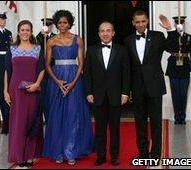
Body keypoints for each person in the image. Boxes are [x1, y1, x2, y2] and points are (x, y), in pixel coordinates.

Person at [42, 10, 93, 165]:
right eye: (60, 23)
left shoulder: (78, 39)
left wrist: (73, 82)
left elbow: (81, 63)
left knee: (73, 116)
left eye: (65, 22)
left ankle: (71, 151)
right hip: (55, 80)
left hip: (74, 79)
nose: (62, 25)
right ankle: (57, 152)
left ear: (70, 23)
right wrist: (57, 81)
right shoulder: (50, 41)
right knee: (56, 116)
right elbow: (47, 64)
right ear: (56, 24)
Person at [124, 10, 174, 161]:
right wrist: (127, 90)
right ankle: (143, 152)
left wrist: (170, 30)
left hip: (154, 85)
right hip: (137, 86)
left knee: (156, 122)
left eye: (143, 21)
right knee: (139, 122)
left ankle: (156, 153)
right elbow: (126, 67)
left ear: (147, 21)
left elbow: (172, 48)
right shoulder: (128, 40)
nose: (140, 24)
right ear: (133, 23)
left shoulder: (158, 36)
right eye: (137, 22)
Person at [84, 21, 130, 166]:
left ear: (113, 33)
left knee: (115, 128)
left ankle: (115, 156)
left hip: (116, 95)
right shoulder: (91, 50)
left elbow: (126, 73)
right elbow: (88, 74)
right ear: (98, 34)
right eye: (102, 31)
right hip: (97, 95)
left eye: (108, 30)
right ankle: (101, 155)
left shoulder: (122, 50)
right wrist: (89, 91)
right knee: (99, 129)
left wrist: (125, 93)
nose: (105, 33)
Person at [4, 20, 45, 167]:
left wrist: (37, 84)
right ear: (18, 31)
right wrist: (5, 91)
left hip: (33, 89)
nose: (25, 32)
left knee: (31, 121)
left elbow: (41, 69)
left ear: (31, 31)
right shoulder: (12, 49)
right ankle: (19, 155)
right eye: (22, 30)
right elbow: (7, 71)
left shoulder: (38, 49)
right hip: (15, 91)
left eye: (28, 30)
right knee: (18, 123)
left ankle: (30, 154)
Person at [165, 16, 191, 125]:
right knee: (175, 94)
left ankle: (182, 117)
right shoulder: (172, 36)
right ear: (174, 24)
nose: (180, 24)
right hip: (174, 67)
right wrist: (172, 32)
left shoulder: (189, 37)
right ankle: (177, 116)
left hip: (185, 68)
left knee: (183, 93)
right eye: (178, 23)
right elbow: (168, 48)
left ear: (184, 24)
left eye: (182, 23)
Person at [36, 18, 55, 123]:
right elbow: (34, 44)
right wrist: (41, 34)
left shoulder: (55, 37)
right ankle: (43, 118)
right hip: (42, 69)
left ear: (52, 26)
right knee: (42, 95)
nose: (48, 26)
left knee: (52, 95)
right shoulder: (39, 37)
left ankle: (51, 118)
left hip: (53, 69)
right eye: (46, 25)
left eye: (49, 25)